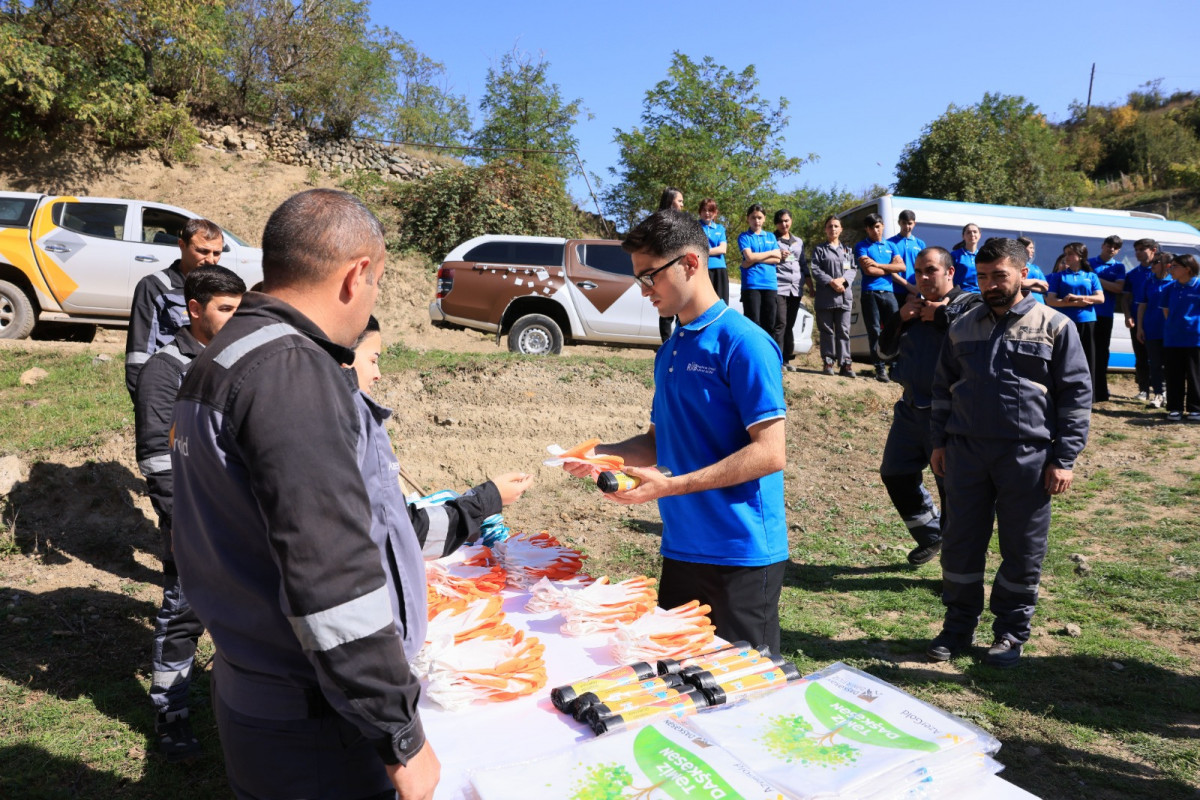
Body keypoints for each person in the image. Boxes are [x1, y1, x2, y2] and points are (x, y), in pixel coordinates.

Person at [170, 188, 530, 800]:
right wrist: (399, 732)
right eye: (378, 284)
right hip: (314, 719)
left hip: (257, 686)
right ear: (356, 274)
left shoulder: (227, 353)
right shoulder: (291, 372)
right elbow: (330, 572)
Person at [562, 209, 788, 653]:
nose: (642, 290)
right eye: (638, 278)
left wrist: (670, 487)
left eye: (650, 276)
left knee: (744, 692)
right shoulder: (669, 351)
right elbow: (656, 441)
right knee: (679, 682)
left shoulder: (745, 344)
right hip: (682, 549)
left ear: (690, 263)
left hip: (739, 553)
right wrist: (600, 453)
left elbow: (770, 453)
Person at [927, 237, 1091, 668]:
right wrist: (939, 442)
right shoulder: (961, 326)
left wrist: (1065, 458)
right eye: (982, 277)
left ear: (1022, 273)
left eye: (1000, 275)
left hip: (1028, 457)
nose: (991, 285)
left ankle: (1010, 633)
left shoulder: (1055, 326)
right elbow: (942, 389)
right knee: (960, 544)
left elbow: (1075, 397)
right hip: (965, 453)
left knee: (1022, 547)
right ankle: (957, 626)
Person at [134, 265, 246, 761]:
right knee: (183, 615)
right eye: (225, 309)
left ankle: (238, 703)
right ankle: (171, 716)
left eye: (240, 309)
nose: (234, 319)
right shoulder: (166, 369)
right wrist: (183, 522)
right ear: (194, 309)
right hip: (193, 520)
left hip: (239, 517)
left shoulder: (236, 362)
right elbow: (156, 456)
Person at [876, 247, 981, 566]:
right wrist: (899, 318)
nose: (922, 277)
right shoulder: (910, 308)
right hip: (910, 411)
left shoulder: (970, 304)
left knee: (953, 494)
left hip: (951, 416)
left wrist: (940, 315)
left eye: (930, 270)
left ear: (950, 272)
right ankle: (931, 535)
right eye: (918, 271)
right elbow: (881, 354)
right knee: (895, 473)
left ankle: (957, 571)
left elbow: (977, 342)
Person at [125, 218, 226, 398]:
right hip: (168, 394)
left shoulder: (221, 290)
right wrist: (145, 401)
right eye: (202, 251)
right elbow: (138, 354)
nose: (211, 260)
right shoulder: (154, 287)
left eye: (216, 253)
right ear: (182, 245)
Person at [854, 212, 904, 382]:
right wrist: (890, 268)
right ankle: (879, 368)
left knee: (894, 329)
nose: (876, 230)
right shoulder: (862, 246)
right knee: (874, 331)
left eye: (878, 226)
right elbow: (869, 271)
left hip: (889, 293)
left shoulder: (891, 245)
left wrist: (879, 264)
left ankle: (895, 367)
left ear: (882, 225)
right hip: (870, 293)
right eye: (872, 228)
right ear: (867, 229)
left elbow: (902, 267)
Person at [1046, 242, 1104, 385]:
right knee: (1063, 356)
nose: (1067, 257)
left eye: (1070, 254)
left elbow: (1100, 298)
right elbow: (1051, 301)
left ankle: (1088, 392)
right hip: (1064, 321)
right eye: (1065, 253)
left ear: (1080, 256)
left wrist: (1079, 297)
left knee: (1087, 356)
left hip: (1086, 321)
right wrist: (1073, 303)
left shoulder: (1091, 276)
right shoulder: (1058, 277)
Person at [809, 215, 857, 377]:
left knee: (843, 330)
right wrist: (831, 282)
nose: (833, 229)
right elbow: (815, 269)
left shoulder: (847, 250)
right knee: (827, 330)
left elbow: (852, 269)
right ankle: (828, 361)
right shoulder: (820, 250)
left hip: (844, 296)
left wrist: (843, 281)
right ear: (825, 229)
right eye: (830, 226)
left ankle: (845, 364)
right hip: (826, 297)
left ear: (841, 229)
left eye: (836, 226)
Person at [1160, 253, 1200, 421]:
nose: (1170, 268)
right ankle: (1174, 408)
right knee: (1173, 374)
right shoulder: (1169, 288)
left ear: (1187, 269)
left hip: (1195, 339)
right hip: (1173, 339)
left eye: (1175, 266)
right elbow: (1166, 312)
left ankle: (1195, 409)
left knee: (1195, 375)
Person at [1089, 234, 1126, 403]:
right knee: (1085, 351)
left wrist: (1096, 279)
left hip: (1105, 314)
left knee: (1102, 353)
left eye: (1116, 247)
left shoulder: (1118, 267)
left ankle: (1100, 391)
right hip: (1087, 314)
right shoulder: (1089, 262)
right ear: (1102, 245)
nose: (1111, 249)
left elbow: (1118, 288)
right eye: (1109, 245)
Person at [738, 203, 783, 337]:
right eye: (753, 217)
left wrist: (753, 259)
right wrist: (769, 254)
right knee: (753, 323)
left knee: (769, 324)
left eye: (759, 217)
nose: (756, 221)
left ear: (764, 219)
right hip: (752, 285)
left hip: (770, 284)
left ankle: (768, 356)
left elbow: (778, 258)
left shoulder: (770, 237)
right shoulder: (744, 237)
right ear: (748, 219)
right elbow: (749, 256)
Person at [1137, 251, 1173, 409]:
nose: (1152, 265)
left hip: (1171, 331)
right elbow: (1142, 306)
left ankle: (1171, 395)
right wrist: (1139, 327)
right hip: (1152, 328)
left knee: (1171, 364)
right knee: (1155, 364)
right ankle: (1159, 393)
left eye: (1156, 262)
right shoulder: (1149, 281)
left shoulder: (1174, 282)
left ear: (1167, 265)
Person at [1125, 238, 1159, 401]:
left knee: (1159, 357)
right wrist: (1127, 316)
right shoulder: (1132, 274)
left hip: (1158, 321)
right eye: (1136, 250)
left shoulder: (1162, 272)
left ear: (1153, 249)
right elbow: (1126, 298)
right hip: (1138, 321)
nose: (1137, 253)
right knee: (1141, 356)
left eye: (1141, 249)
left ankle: (1161, 391)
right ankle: (1143, 389)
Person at [773, 209, 807, 371]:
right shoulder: (771, 239)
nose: (783, 224)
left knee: (790, 324)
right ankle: (777, 359)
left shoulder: (798, 241)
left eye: (786, 220)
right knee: (780, 323)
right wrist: (777, 254)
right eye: (780, 221)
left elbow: (803, 264)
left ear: (791, 221)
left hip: (796, 287)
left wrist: (810, 286)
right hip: (779, 285)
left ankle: (786, 359)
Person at [656, 188, 687, 341]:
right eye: (679, 201)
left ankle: (679, 343)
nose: (682, 204)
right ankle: (666, 344)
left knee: (681, 308)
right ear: (670, 201)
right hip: (665, 270)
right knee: (667, 310)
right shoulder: (659, 220)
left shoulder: (683, 221)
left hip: (680, 270)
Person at [886, 209, 924, 302]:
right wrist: (908, 285)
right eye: (904, 223)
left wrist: (916, 288)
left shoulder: (920, 244)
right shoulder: (889, 243)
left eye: (910, 223)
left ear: (914, 223)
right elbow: (887, 269)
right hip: (894, 290)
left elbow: (923, 269)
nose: (907, 226)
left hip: (915, 291)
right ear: (899, 223)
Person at [698, 198, 729, 304]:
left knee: (721, 302)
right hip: (701, 269)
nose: (707, 213)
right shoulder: (695, 227)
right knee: (703, 303)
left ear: (715, 213)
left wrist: (703, 251)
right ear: (700, 212)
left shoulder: (720, 228)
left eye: (710, 210)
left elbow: (722, 249)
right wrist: (713, 251)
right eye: (704, 210)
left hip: (719, 269)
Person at [950, 223, 982, 293]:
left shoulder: (983, 255)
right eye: (968, 232)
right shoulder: (955, 255)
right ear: (963, 236)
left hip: (980, 295)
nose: (972, 234)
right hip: (961, 294)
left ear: (979, 235)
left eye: (975, 232)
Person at [1016, 237, 1049, 304]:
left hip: (1039, 304)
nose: (1033, 251)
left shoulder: (1035, 268)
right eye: (1030, 248)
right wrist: (1036, 281)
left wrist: (1027, 287)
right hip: (1023, 304)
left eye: (1033, 248)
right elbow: (1019, 283)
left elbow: (1045, 287)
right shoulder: (1016, 265)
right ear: (1022, 248)